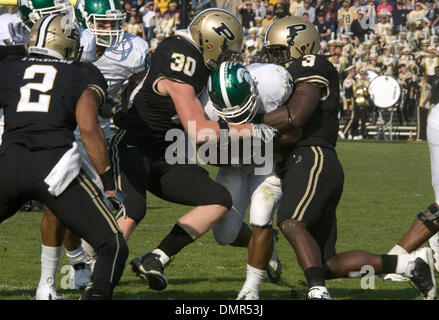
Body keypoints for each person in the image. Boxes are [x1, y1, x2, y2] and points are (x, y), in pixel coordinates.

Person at [258, 15, 437, 300]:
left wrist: (247, 122)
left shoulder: (312, 64)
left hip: (313, 158)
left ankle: (317, 292)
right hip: (306, 164)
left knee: (291, 221)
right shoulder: (292, 72)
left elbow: (296, 116)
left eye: (280, 51)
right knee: (326, 263)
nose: (276, 59)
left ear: (300, 47)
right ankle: (408, 264)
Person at [111, 8, 277, 291]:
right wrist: (251, 130)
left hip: (166, 154)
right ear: (210, 43)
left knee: (218, 199)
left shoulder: (195, 57)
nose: (227, 59)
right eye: (225, 52)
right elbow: (200, 132)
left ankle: (155, 258)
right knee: (132, 211)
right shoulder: (183, 56)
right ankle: (97, 281)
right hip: (133, 147)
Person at [18, 0, 150, 299]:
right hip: (63, 129)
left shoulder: (135, 49)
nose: (108, 29)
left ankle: (85, 261)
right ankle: (53, 279)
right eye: (101, 23)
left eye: (112, 22)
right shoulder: (73, 38)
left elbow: (140, 84)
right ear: (82, 19)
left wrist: (123, 107)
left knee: (95, 207)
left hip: (99, 135)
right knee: (56, 206)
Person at [205, 61, 292, 299]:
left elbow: (295, 125)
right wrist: (247, 139)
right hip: (235, 162)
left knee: (261, 216)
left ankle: (251, 288)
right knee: (223, 235)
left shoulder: (274, 81)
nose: (239, 117)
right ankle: (268, 245)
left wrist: (271, 139)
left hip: (269, 158)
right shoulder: (206, 108)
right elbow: (206, 153)